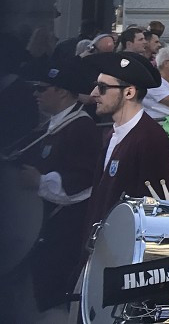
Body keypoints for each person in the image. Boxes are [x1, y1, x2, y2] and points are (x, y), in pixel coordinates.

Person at [18, 63, 99, 316]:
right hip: (43, 231)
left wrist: (40, 182)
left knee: (54, 302)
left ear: (63, 92)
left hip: (63, 235)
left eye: (42, 89)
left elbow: (83, 181)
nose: (36, 94)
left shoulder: (82, 127)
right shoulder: (52, 125)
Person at [85, 52, 169, 229]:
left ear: (129, 92)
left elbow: (155, 209)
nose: (94, 93)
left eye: (102, 87)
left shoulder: (150, 139)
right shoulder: (114, 133)